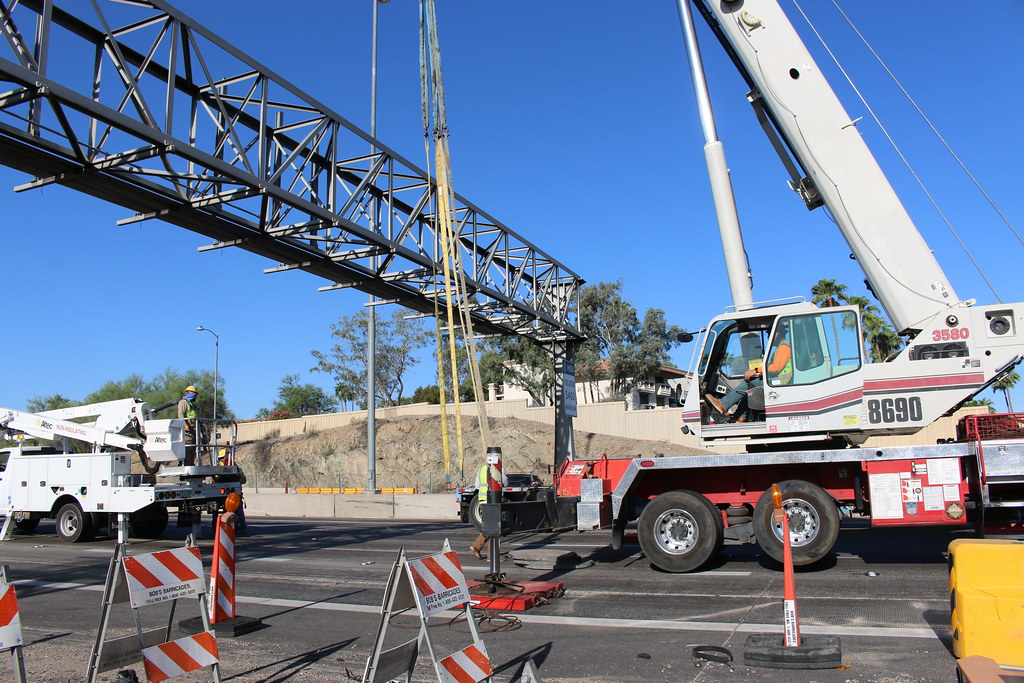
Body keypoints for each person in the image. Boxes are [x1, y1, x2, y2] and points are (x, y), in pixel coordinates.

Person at [707, 326, 792, 422]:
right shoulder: (781, 347)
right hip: (778, 379)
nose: (768, 337)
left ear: (777, 334)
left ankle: (723, 404)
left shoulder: (784, 347)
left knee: (750, 382)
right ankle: (740, 416)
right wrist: (759, 374)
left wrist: (756, 370)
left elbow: (776, 368)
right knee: (751, 387)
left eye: (769, 334)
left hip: (781, 381)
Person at [469, 459, 507, 559]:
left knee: (490, 527)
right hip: (493, 501)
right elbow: (505, 482)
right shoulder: (499, 468)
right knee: (495, 529)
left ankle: (477, 547)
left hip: (482, 501)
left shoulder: (481, 469)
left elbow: (477, 485)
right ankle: (492, 556)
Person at [178, 385, 200, 465]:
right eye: (192, 393)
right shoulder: (183, 403)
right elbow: (181, 415)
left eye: (194, 394)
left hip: (193, 429)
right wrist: (185, 426)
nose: (194, 395)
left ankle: (190, 462)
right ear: (187, 393)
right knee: (187, 447)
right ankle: (185, 463)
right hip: (186, 431)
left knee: (192, 448)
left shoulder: (191, 404)